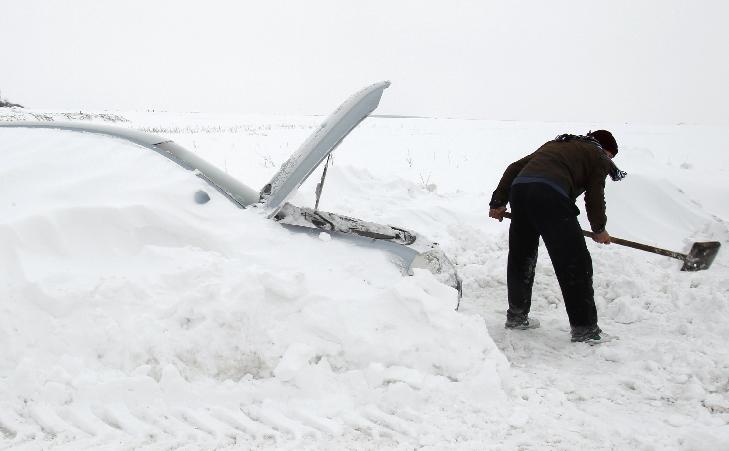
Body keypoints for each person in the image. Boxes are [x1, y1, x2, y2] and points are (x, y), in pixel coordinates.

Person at [488, 130, 626, 343]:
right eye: (611, 156)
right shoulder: (597, 155)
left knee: (522, 257)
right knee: (574, 262)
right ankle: (585, 329)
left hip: (521, 192)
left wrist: (498, 202)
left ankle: (517, 316)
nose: (610, 162)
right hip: (550, 195)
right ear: (606, 149)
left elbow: (514, 168)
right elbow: (595, 195)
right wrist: (599, 229)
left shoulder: (557, 145)